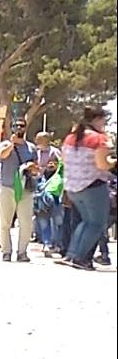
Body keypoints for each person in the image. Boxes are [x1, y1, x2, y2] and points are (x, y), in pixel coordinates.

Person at [57, 107, 116, 271]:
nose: (104, 123)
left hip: (73, 187)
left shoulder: (70, 138)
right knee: (97, 224)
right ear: (97, 119)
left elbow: (64, 160)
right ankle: (79, 257)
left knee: (86, 222)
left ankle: (71, 254)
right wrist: (113, 161)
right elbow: (102, 165)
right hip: (93, 186)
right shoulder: (99, 139)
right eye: (104, 120)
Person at [0, 117, 39, 263]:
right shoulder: (5, 144)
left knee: (26, 223)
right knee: (5, 222)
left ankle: (22, 252)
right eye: (16, 126)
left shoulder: (31, 148)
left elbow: (36, 168)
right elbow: (2, 155)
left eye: (22, 126)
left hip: (25, 188)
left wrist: (32, 167)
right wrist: (12, 144)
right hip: (8, 187)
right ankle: (6, 251)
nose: (19, 128)